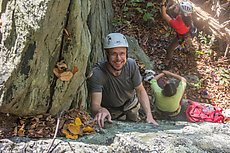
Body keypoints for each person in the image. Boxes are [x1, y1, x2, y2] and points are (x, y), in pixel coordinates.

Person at [88, 33, 158, 128]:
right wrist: (101, 110)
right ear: (107, 54)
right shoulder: (98, 73)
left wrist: (149, 116)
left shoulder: (131, 65)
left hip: (131, 105)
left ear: (126, 54)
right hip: (111, 111)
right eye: (114, 54)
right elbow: (95, 105)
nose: (118, 59)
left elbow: (140, 90)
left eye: (122, 54)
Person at [161, 0, 196, 67]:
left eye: (178, 7)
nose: (176, 6)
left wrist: (162, 4)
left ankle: (167, 61)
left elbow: (164, 15)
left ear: (181, 13)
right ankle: (186, 47)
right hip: (187, 32)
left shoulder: (178, 24)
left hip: (181, 36)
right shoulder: (188, 15)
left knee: (170, 49)